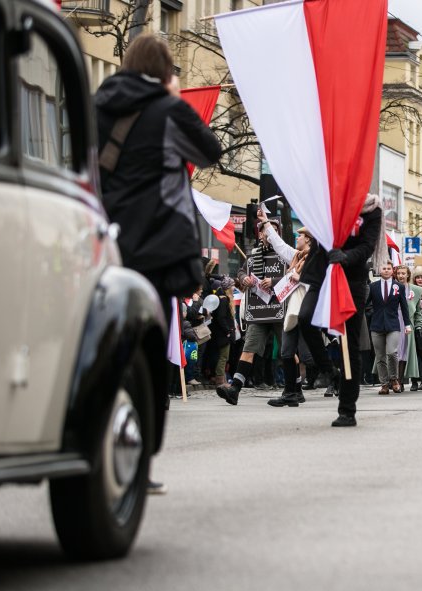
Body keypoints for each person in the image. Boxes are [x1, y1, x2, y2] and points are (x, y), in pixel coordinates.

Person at [95, 34, 221, 495]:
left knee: (108, 346)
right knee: (149, 354)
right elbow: (210, 151)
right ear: (165, 73)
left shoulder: (99, 104)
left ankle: (95, 444)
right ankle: (138, 461)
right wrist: (171, 100)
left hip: (105, 241)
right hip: (157, 248)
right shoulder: (168, 110)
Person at [298, 194, 384, 427]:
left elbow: (368, 245)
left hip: (351, 279)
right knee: (305, 318)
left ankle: (347, 409)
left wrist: (345, 257)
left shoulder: (372, 208)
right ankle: (329, 371)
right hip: (322, 274)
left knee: (349, 343)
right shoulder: (328, 198)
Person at [216, 212, 286, 406]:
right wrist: (243, 278)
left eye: (267, 231)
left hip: (279, 308)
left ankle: (294, 388)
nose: (264, 234)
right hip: (258, 310)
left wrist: (274, 281)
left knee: (287, 350)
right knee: (249, 348)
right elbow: (241, 271)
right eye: (262, 231)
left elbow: (295, 276)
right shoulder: (254, 255)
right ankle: (235, 389)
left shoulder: (285, 252)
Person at [267, 226, 316, 407]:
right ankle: (291, 393)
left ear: (309, 239)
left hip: (306, 312)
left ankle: (336, 378)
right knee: (287, 352)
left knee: (309, 356)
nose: (297, 238)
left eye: (300, 236)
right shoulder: (297, 256)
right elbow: (280, 246)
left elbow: (318, 284)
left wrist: (299, 278)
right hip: (292, 312)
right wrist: (266, 224)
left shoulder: (316, 260)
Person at [369, 261, 413, 394]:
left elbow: (404, 307)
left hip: (393, 325)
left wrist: (407, 324)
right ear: (379, 270)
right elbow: (365, 303)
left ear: (392, 271)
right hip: (376, 325)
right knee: (380, 356)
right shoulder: (373, 286)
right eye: (384, 268)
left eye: (389, 268)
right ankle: (384, 384)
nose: (386, 270)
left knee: (392, 353)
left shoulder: (398, 286)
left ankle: (394, 379)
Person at [394, 265, 422, 392]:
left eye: (403, 273)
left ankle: (400, 381)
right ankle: (392, 379)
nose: (401, 275)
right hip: (393, 322)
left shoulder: (416, 290)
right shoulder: (391, 288)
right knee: (392, 352)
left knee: (404, 353)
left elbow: (418, 311)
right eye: (399, 273)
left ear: (408, 275)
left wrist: (418, 325)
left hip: (407, 324)